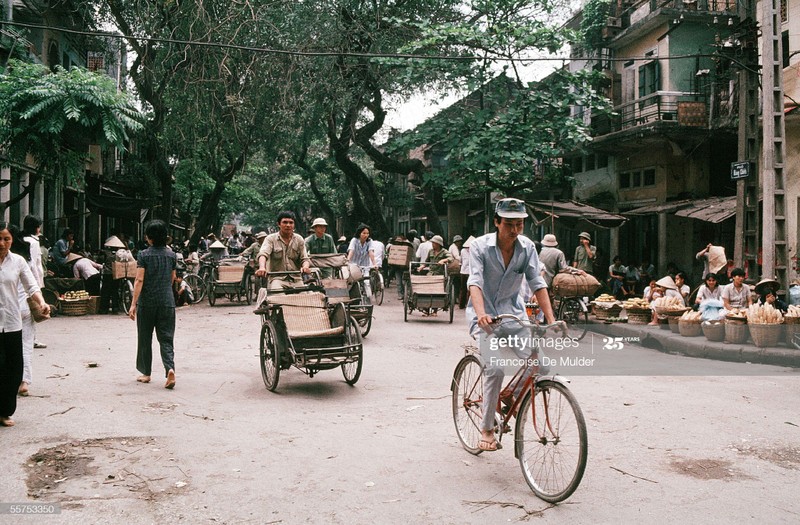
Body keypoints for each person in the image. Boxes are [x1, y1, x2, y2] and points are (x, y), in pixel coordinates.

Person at [467, 198, 561, 452]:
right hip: (485, 317)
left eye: (519, 224)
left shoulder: (527, 247)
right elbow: (474, 282)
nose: (514, 230)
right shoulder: (479, 247)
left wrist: (551, 321)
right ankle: (487, 429)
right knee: (495, 369)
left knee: (541, 364)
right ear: (496, 222)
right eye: (509, 224)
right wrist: (481, 314)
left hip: (513, 315)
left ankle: (509, 395)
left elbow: (537, 283)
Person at [0, 221, 50, 426]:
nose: (2, 243)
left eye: (6, 239)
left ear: (12, 240)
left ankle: (5, 411)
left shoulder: (18, 262)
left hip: (12, 322)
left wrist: (42, 302)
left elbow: (32, 286)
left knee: (13, 368)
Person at [129, 220, 177, 389]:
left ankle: (146, 373)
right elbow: (172, 279)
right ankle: (170, 369)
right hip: (167, 301)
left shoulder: (143, 255)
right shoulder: (172, 255)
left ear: (149, 238)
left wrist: (133, 304)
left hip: (147, 302)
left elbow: (139, 279)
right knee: (166, 338)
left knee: (144, 337)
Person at [255, 211, 312, 290]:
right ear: (279, 224)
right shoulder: (271, 239)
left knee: (305, 298)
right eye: (285, 222)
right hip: (277, 279)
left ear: (294, 225)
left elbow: (304, 258)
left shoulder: (299, 239)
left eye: (291, 222)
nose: (288, 225)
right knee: (278, 297)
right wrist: (262, 267)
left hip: (296, 278)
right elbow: (263, 254)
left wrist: (305, 267)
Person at [22, 216, 46, 350]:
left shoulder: (21, 239)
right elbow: (35, 265)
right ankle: (32, 338)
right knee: (33, 310)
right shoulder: (34, 242)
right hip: (32, 280)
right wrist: (38, 284)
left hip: (21, 280)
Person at [458, 236, 475, 309]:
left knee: (463, 289)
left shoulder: (462, 251)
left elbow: (460, 261)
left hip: (463, 271)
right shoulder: (474, 251)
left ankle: (461, 304)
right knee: (469, 289)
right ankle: (468, 305)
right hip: (470, 272)